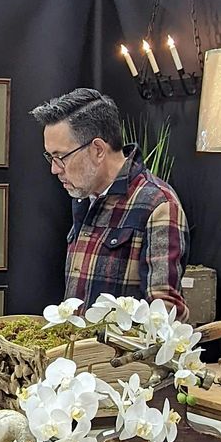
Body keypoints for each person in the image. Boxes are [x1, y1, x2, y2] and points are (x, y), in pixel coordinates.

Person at [30, 88, 188, 317]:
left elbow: (165, 314)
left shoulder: (159, 205)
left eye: (60, 156)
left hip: (121, 343)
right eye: (50, 157)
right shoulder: (86, 195)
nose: (55, 169)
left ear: (98, 150)